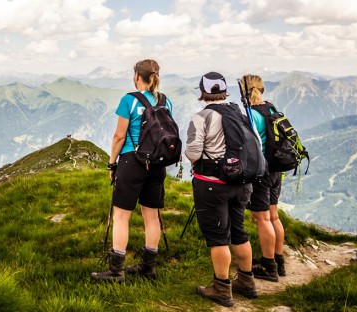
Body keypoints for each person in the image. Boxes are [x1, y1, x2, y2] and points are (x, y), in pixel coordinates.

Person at [91, 59, 175, 283]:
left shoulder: (129, 100)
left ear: (138, 76)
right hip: (157, 164)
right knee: (152, 216)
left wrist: (111, 163)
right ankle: (149, 267)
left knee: (121, 216)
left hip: (132, 162)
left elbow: (119, 136)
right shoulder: (166, 101)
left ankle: (116, 270)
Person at [186, 72, 257, 307]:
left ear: (202, 91)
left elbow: (194, 153)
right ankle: (247, 282)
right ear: (224, 90)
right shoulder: (239, 112)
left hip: (212, 184)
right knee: (238, 231)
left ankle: (221, 288)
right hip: (243, 183)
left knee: (218, 238)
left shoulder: (202, 117)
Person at [243, 74, 287, 281]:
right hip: (276, 169)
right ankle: (279, 262)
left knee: (261, 218)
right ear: (262, 90)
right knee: (273, 216)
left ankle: (268, 267)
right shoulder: (271, 108)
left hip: (261, 170)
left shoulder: (251, 115)